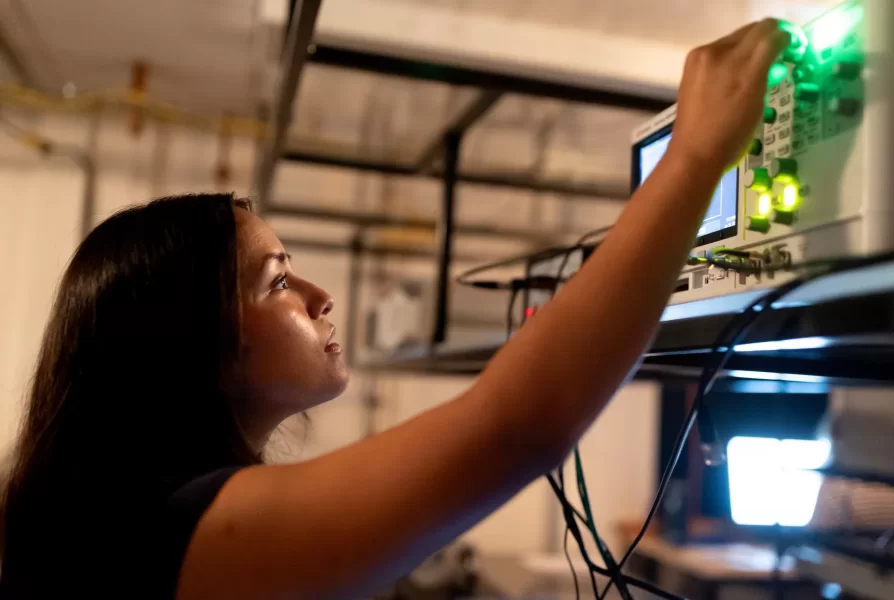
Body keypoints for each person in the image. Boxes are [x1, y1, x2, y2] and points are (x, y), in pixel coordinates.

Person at [0, 20, 788, 599]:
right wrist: (693, 158)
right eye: (278, 281)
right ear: (199, 344)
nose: (320, 297)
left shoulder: (124, 519)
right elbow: (520, 425)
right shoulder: (183, 526)